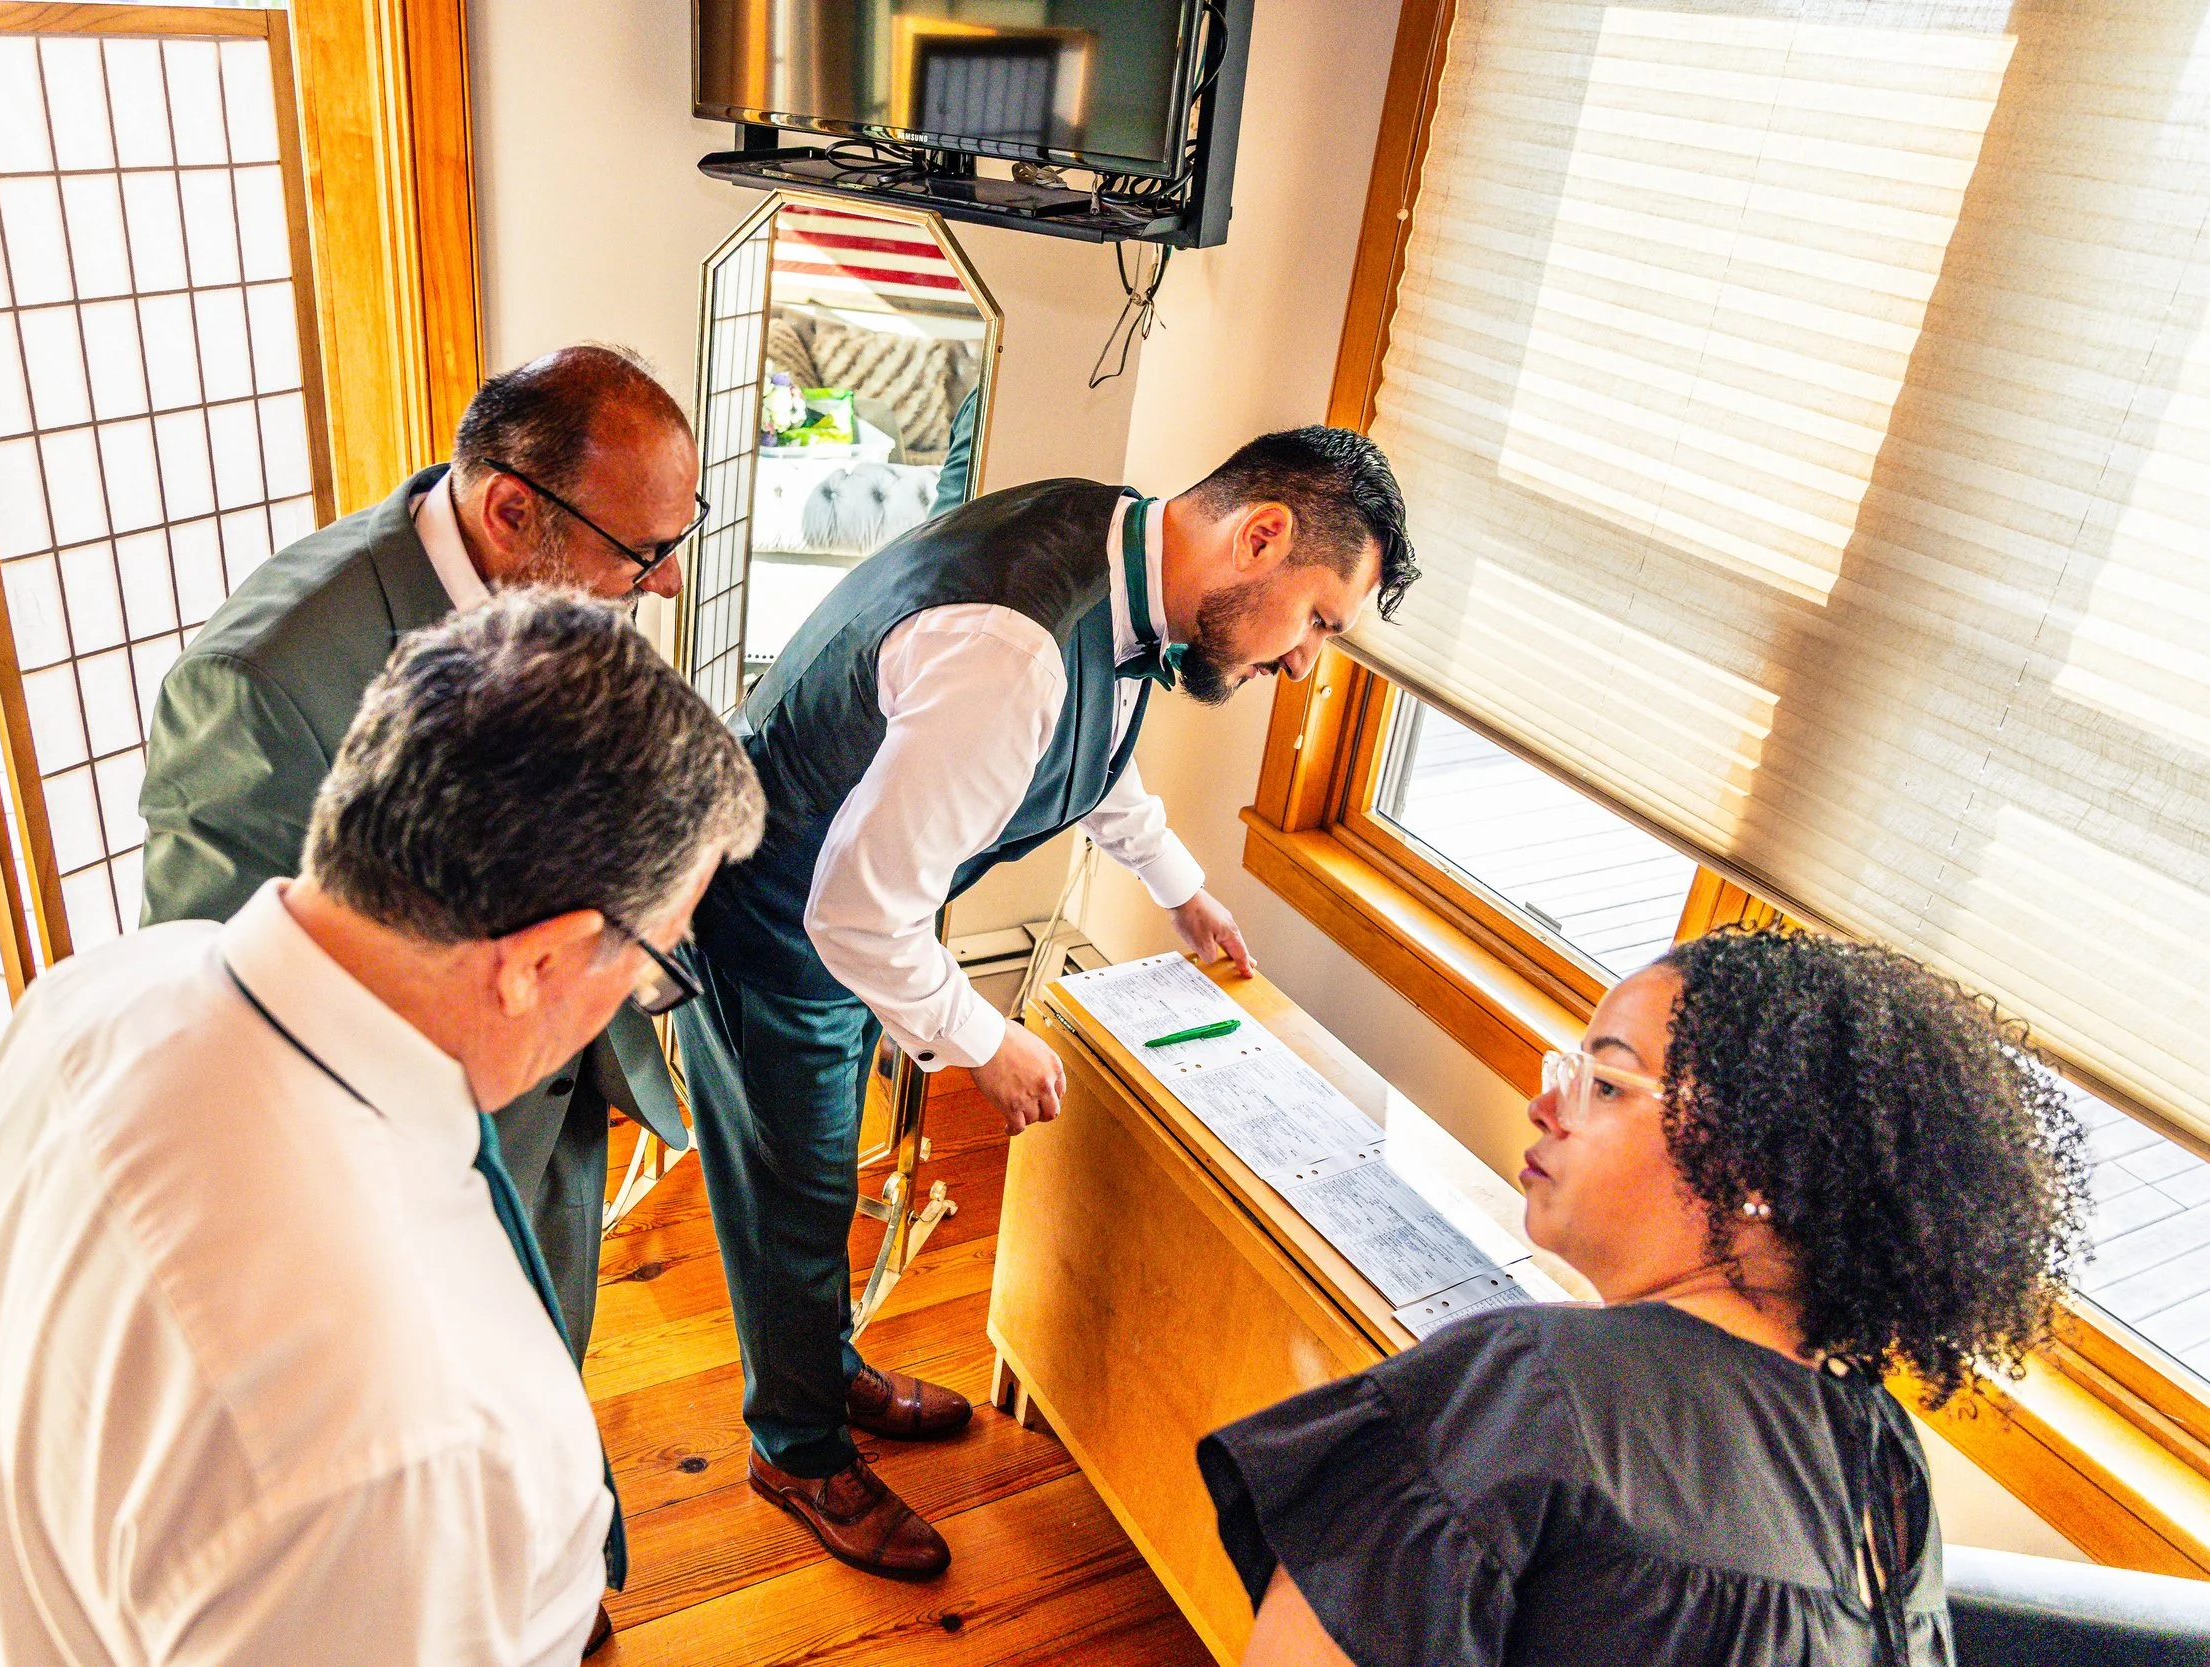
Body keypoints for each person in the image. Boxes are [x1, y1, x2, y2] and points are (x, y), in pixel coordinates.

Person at [0, 593, 765, 1665]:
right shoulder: (399, 1433)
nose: (635, 1000)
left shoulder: (87, 996)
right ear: (537, 960)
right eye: (653, 961)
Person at [676, 426, 1421, 1577]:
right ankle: (797, 1444)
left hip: (835, 907)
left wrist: (1177, 885)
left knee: (817, 1186)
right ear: (1261, 536)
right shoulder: (1009, 649)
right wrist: (988, 1040)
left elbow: (1093, 747)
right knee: (795, 1192)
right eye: (1318, 618)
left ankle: (821, 1365)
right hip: (772, 920)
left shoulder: (1119, 542)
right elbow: (858, 915)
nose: (1306, 662)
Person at [1202, 924, 2090, 1666]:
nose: (1546, 1105)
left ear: (1752, 1169)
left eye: (1606, 1081)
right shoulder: (1887, 1467)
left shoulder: (1521, 1388)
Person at [138, 344, 705, 1373]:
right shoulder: (264, 680)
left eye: (680, 533)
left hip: (554, 1119)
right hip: (399, 1187)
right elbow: (219, 1011)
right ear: (511, 513)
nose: (665, 580)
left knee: (543, 1382)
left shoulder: (567, 589)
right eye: (644, 548)